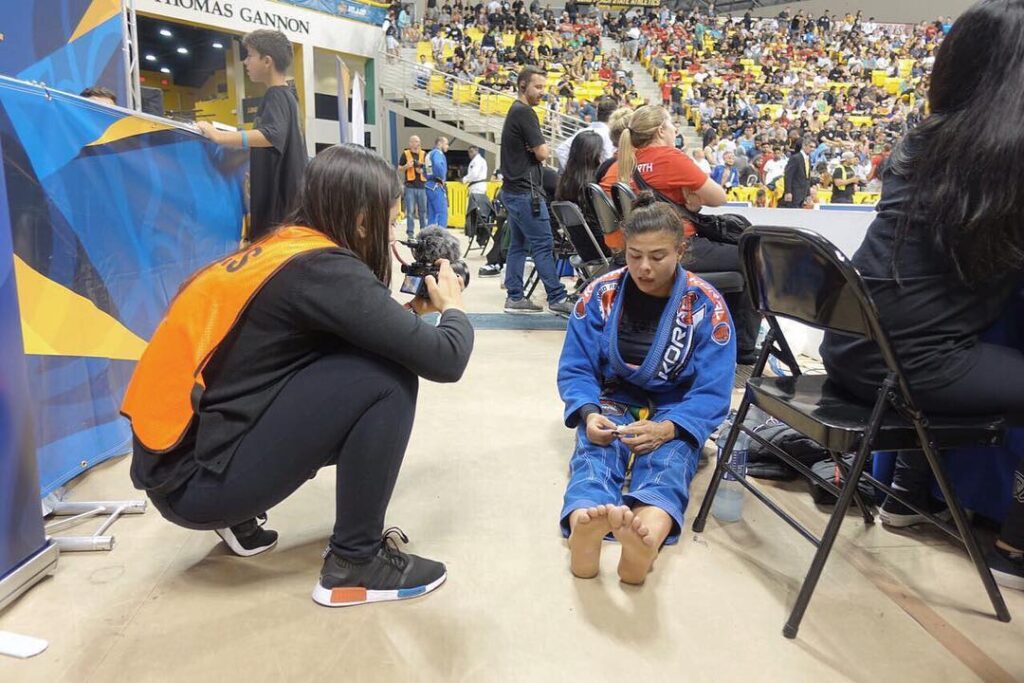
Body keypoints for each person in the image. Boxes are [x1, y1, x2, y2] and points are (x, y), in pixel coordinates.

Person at [122, 144, 474, 607]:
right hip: (196, 487)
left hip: (176, 468)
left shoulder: (286, 249)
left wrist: (411, 314)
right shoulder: (325, 269)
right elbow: (446, 359)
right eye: (390, 222)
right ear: (362, 220)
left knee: (363, 362)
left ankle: (238, 519)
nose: (393, 234)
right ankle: (355, 562)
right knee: (387, 380)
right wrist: (454, 309)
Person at [820, 0, 1024, 591]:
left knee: (937, 334)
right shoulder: (1005, 158)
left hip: (851, 348)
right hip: (911, 369)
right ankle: (1015, 546)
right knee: (940, 345)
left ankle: (907, 494)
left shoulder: (922, 143)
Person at [557, 193, 735, 584]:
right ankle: (585, 529)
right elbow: (576, 366)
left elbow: (713, 389)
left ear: (680, 251)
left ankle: (644, 542)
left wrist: (669, 429)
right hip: (615, 399)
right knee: (594, 453)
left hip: (675, 410)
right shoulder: (600, 293)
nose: (644, 267)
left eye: (657, 256)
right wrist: (588, 413)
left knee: (669, 464)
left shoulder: (707, 305)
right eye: (634, 255)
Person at [598, 105, 760, 363]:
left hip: (638, 249)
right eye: (672, 124)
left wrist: (685, 203)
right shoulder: (670, 158)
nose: (676, 129)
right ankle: (742, 346)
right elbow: (719, 197)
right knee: (755, 257)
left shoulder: (621, 165)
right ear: (661, 130)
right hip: (677, 247)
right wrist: (689, 202)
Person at [198, 30, 307, 242]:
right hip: (286, 207)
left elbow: (272, 135)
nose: (245, 62)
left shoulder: (276, 95)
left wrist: (219, 136)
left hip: (278, 210)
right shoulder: (288, 96)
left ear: (267, 61)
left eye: (249, 55)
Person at [500, 65, 573, 316]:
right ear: (523, 85)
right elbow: (543, 152)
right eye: (538, 86)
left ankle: (515, 297)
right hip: (525, 194)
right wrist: (539, 149)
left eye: (544, 87)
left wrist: (536, 149)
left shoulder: (515, 110)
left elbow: (538, 151)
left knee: (518, 245)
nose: (543, 92)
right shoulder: (525, 113)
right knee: (543, 245)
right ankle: (557, 297)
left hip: (513, 192)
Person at [554, 131, 609, 255]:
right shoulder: (595, 185)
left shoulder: (564, 183)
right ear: (595, 154)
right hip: (602, 246)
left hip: (582, 248)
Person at [554, 96, 617, 169]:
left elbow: (561, 150)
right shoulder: (608, 136)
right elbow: (608, 162)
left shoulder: (582, 131)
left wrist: (571, 171)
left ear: (596, 113)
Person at [398, 135, 429, 239]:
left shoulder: (424, 154)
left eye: (418, 141)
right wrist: (407, 166)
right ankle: (410, 234)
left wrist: (422, 171)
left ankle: (423, 233)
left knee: (423, 212)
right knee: (410, 212)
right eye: (414, 141)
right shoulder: (405, 154)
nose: (417, 143)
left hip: (422, 186)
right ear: (410, 143)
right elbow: (399, 168)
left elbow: (429, 169)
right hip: (410, 186)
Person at [462, 146, 491, 247]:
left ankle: (478, 232)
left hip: (477, 187)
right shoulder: (477, 160)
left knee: (477, 211)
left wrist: (464, 179)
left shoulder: (478, 161)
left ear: (476, 151)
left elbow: (474, 174)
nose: (470, 154)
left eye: (472, 151)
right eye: (469, 152)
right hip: (476, 187)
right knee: (475, 211)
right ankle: (475, 230)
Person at [426, 136, 450, 228]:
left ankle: (429, 234)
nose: (447, 146)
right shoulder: (438, 153)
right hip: (436, 186)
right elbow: (437, 164)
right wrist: (441, 178)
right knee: (442, 213)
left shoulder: (429, 154)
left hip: (429, 185)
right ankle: (441, 234)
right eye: (446, 144)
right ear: (440, 143)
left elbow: (424, 170)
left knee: (432, 215)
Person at [781, 137, 811, 208]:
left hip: (803, 193)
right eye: (810, 146)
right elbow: (788, 175)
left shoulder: (808, 159)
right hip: (794, 192)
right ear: (804, 146)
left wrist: (808, 193)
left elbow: (807, 177)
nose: (812, 149)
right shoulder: (795, 158)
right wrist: (788, 192)